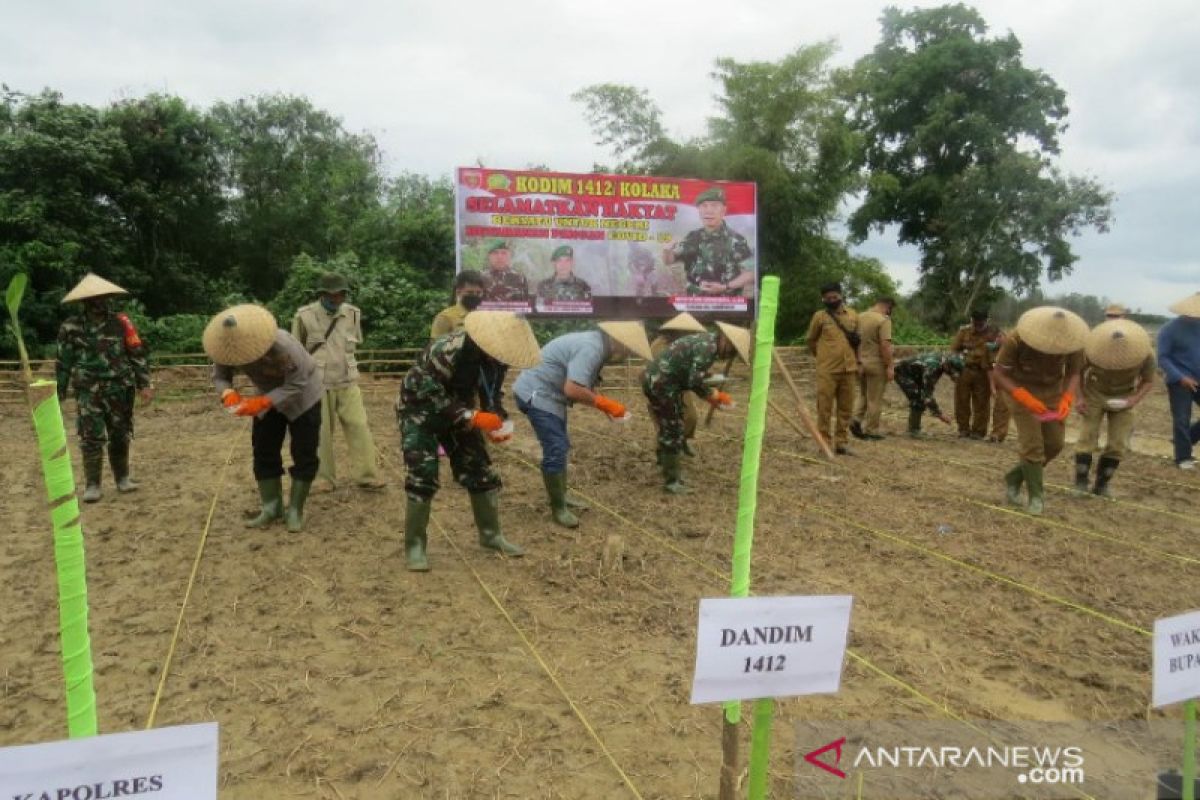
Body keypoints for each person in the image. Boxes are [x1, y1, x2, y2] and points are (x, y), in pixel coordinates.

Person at [396, 311, 541, 571]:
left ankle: (491, 535)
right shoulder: (447, 349)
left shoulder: (498, 360)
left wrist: (496, 419)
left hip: (461, 411)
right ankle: (415, 545)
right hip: (419, 410)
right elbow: (424, 390)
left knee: (480, 469)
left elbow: (491, 392)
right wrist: (471, 416)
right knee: (422, 475)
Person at [513, 321, 653, 528]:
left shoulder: (597, 345)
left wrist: (606, 408)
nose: (628, 354)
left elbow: (581, 385)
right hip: (538, 394)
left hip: (549, 395)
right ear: (618, 340)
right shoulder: (592, 348)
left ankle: (562, 495)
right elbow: (573, 389)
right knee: (556, 448)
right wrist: (605, 403)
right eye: (629, 348)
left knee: (561, 445)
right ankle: (558, 508)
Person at [205, 304, 323, 532]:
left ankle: (295, 510)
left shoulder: (283, 344)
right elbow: (220, 376)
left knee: (304, 451)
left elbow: (298, 382)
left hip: (304, 396)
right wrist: (227, 393)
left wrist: (265, 402)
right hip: (266, 392)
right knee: (263, 448)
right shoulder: (225, 348)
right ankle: (271, 507)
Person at [55, 273, 154, 502]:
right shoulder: (70, 327)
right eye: (94, 298)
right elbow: (63, 361)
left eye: (103, 297)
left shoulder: (121, 323)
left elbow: (136, 353)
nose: (100, 302)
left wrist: (145, 384)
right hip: (88, 390)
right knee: (90, 436)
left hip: (120, 388)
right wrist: (59, 392)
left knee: (120, 434)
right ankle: (93, 484)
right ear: (85, 302)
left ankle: (122, 478)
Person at [291, 273, 386, 494]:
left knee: (359, 426)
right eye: (332, 294)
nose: (337, 298)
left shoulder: (353, 314)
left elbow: (352, 345)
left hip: (347, 380)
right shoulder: (304, 317)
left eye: (341, 293)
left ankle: (367, 476)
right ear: (322, 294)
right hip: (317, 384)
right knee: (321, 433)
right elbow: (296, 352)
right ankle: (323, 479)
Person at [991, 307, 1087, 515]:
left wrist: (1067, 397)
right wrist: (1023, 396)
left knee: (1054, 444)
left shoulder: (1073, 343)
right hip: (1020, 390)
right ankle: (1036, 497)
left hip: (1052, 392)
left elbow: (1073, 373)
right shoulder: (1016, 340)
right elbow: (999, 374)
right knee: (1033, 445)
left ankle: (1014, 477)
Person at [642, 322, 749, 492]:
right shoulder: (708, 348)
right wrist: (714, 397)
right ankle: (671, 482)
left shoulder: (706, 342)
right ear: (726, 340)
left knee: (670, 424)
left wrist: (710, 385)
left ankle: (665, 463)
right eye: (731, 350)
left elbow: (690, 369)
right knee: (673, 428)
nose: (730, 355)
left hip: (662, 381)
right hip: (662, 384)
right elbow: (694, 380)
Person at [1073, 319, 1155, 496]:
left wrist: (1133, 400)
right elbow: (1076, 372)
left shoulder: (1145, 353)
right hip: (1094, 393)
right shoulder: (1091, 348)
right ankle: (1080, 482)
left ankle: (1102, 485)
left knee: (1118, 442)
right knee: (1087, 437)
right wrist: (1079, 398)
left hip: (1124, 396)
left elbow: (1148, 380)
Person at [663, 187, 754, 296]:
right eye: (704, 206)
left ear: (723, 210)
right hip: (695, 304)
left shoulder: (736, 239)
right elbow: (669, 261)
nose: (708, 210)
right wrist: (667, 250)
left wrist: (725, 287)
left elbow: (750, 274)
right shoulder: (692, 237)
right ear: (699, 211)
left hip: (728, 306)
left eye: (714, 206)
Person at [805, 282, 860, 455]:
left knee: (846, 408)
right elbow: (811, 340)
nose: (831, 300)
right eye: (827, 298)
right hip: (827, 371)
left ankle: (841, 443)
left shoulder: (853, 315)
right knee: (824, 408)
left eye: (834, 297)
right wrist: (822, 357)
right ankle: (824, 442)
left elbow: (857, 341)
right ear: (823, 299)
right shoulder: (819, 317)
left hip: (849, 369)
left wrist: (858, 362)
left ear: (841, 296)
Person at [648, 312, 708, 456]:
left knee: (691, 417)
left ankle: (683, 441)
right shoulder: (659, 345)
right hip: (659, 388)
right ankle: (663, 455)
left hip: (679, 386)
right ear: (676, 331)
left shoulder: (687, 345)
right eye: (687, 332)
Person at [1157, 291, 1200, 470]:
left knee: (1184, 426)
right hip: (1179, 381)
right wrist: (1180, 377)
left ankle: (1186, 438)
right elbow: (1162, 358)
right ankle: (1183, 457)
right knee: (1182, 418)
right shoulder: (1169, 330)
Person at [950, 309, 1003, 439]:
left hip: (984, 372)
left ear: (986, 320)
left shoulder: (995, 332)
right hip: (965, 370)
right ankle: (963, 429)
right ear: (971, 320)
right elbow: (954, 350)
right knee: (961, 400)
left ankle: (978, 432)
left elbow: (1003, 348)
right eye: (975, 322)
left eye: (981, 323)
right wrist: (957, 364)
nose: (978, 325)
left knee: (982, 403)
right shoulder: (964, 331)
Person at [850, 298, 895, 440]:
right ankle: (871, 430)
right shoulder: (883, 320)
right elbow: (885, 346)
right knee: (875, 399)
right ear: (888, 307)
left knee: (863, 394)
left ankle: (855, 420)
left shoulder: (859, 317)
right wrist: (890, 366)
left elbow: (853, 341)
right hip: (876, 363)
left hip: (861, 362)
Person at [894, 352, 964, 437]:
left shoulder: (941, 362)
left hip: (915, 374)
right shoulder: (933, 367)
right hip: (903, 373)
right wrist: (939, 414)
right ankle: (913, 430)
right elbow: (927, 394)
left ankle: (914, 428)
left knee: (919, 397)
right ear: (947, 366)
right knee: (918, 398)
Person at [430, 270, 486, 337]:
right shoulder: (445, 317)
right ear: (458, 292)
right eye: (470, 292)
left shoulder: (483, 317)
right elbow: (435, 346)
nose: (474, 295)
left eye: (478, 293)